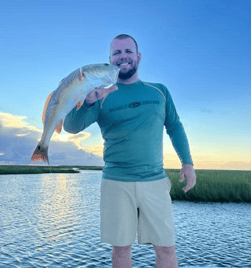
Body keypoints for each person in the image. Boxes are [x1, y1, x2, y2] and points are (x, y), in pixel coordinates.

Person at [63, 34, 196, 268]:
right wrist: (89, 101)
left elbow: (175, 126)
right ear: (110, 60)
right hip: (116, 181)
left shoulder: (159, 91)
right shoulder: (101, 95)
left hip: (154, 181)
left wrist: (187, 163)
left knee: (166, 248)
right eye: (116, 53)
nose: (122, 57)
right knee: (121, 249)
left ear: (138, 57)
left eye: (127, 51)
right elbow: (71, 127)